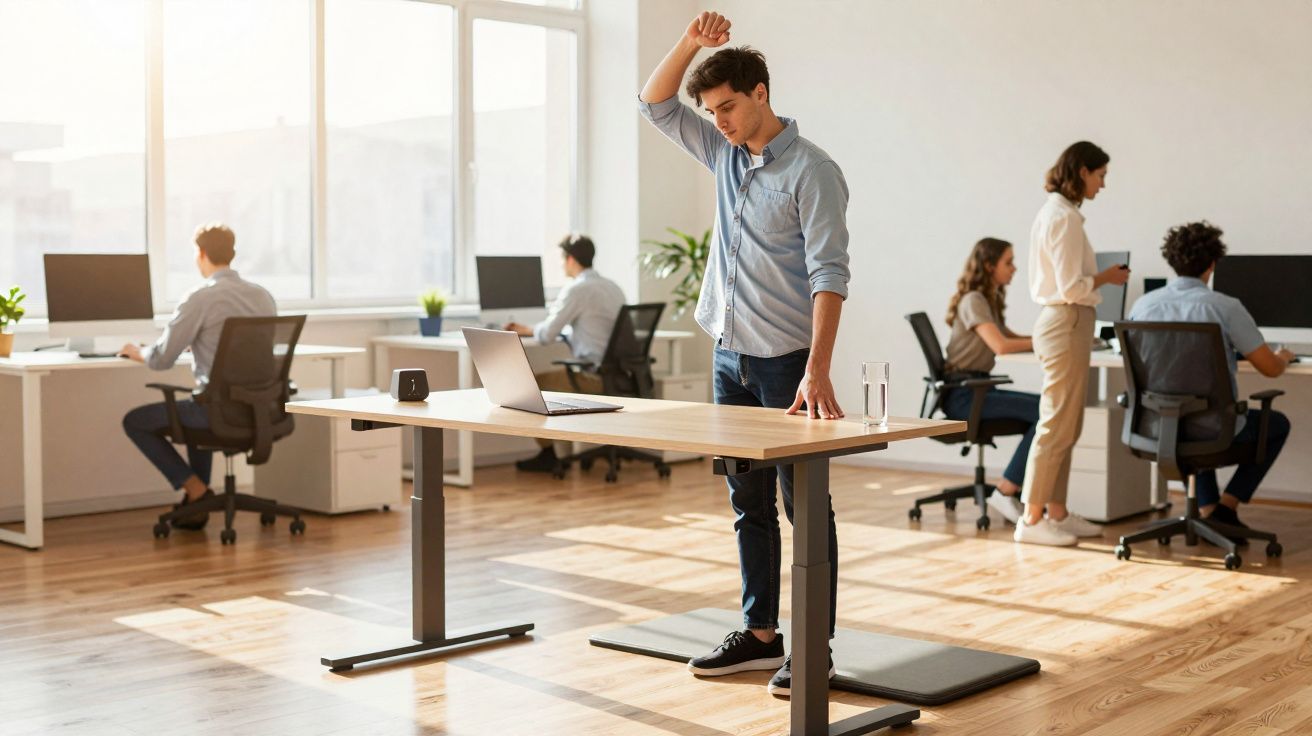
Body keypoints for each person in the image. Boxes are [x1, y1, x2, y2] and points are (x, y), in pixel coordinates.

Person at [639, 11, 851, 697]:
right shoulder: (723, 153)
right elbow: (654, 104)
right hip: (728, 357)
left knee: (804, 507)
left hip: (788, 364)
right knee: (746, 503)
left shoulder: (814, 171)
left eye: (727, 106)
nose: (719, 121)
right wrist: (691, 44)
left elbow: (829, 274)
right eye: (711, 111)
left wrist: (818, 368)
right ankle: (762, 636)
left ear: (761, 93)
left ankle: (814, 649)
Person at [1128, 221, 1293, 535]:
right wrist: (1283, 356)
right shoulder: (1225, 308)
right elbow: (1270, 369)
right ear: (1213, 263)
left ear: (1171, 260)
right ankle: (1225, 508)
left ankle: (1208, 511)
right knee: (1276, 424)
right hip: (1212, 429)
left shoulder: (1143, 305)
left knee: (1190, 414)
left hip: (1156, 426)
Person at [120, 223, 276, 530]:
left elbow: (162, 359)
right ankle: (196, 506)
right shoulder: (263, 296)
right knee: (198, 403)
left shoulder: (200, 298)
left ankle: (195, 490)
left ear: (201, 254)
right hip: (261, 410)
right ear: (231, 253)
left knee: (135, 421)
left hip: (217, 412)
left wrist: (138, 352)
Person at [1020, 141, 1131, 546]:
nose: (1102, 185)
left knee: (1067, 425)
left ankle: (1057, 512)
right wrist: (1106, 277)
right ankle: (1031, 520)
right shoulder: (1063, 218)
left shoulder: (1061, 214)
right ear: (1082, 171)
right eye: (1101, 175)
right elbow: (1070, 286)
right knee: (1056, 424)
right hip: (1066, 320)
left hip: (1070, 322)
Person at [505, 233, 625, 472]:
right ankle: (561, 451)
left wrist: (525, 330)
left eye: (562, 259)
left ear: (570, 259)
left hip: (593, 377)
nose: (562, 265)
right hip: (620, 375)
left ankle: (549, 454)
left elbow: (547, 334)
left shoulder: (577, 289)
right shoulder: (613, 287)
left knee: (532, 387)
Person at [942, 237, 1038, 524]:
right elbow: (1001, 346)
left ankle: (1018, 492)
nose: (1014, 268)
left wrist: (1050, 338)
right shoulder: (974, 300)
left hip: (978, 388)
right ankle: (1007, 491)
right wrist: (1044, 342)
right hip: (966, 394)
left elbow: (1010, 337)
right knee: (1048, 410)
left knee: (1048, 408)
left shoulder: (987, 300)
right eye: (1008, 262)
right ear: (988, 265)